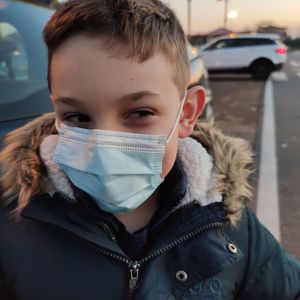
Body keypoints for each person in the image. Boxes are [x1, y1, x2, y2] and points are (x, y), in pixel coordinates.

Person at [0, 0, 299, 299]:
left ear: (186, 114)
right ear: (57, 112)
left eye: (139, 112)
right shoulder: (12, 225)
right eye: (77, 117)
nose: (105, 144)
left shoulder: (231, 224)